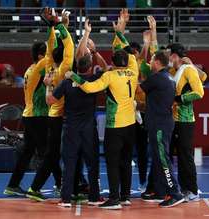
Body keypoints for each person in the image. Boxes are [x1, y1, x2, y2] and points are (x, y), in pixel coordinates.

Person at [68, 14, 139, 209]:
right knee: (126, 161)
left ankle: (114, 199)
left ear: (113, 63)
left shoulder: (109, 76)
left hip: (115, 126)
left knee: (113, 162)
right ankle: (125, 196)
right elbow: (128, 51)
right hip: (130, 125)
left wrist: (73, 75)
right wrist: (119, 32)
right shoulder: (133, 70)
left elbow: (90, 88)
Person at [26, 8, 74, 202]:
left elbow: (52, 45)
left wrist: (54, 26)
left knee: (54, 154)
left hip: (52, 116)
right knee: (58, 155)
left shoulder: (49, 66)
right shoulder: (63, 69)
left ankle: (68, 184)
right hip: (62, 118)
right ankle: (37, 187)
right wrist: (60, 25)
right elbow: (69, 45)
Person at [45, 54, 104, 207]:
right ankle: (94, 197)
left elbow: (50, 101)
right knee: (92, 164)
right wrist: (95, 52)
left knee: (69, 163)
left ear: (76, 68)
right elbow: (106, 68)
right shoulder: (93, 80)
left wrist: (48, 84)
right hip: (89, 130)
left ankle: (65, 199)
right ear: (90, 68)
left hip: (71, 128)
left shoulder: (67, 82)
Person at [140, 50, 186, 207]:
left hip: (159, 125)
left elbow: (139, 89)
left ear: (158, 62)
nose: (150, 62)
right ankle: (159, 191)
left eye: (152, 59)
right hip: (162, 122)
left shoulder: (157, 78)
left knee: (163, 159)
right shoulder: (169, 77)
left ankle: (175, 192)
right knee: (158, 158)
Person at [3, 42, 49, 197]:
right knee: (48, 154)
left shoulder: (31, 69)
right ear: (40, 56)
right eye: (46, 52)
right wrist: (56, 27)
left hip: (29, 115)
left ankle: (12, 185)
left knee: (27, 152)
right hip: (37, 117)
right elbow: (54, 56)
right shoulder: (38, 68)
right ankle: (39, 188)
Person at [168, 43, 204, 202]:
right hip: (175, 119)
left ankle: (193, 190)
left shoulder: (188, 69)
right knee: (179, 156)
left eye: (169, 55)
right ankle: (184, 189)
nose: (168, 58)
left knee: (186, 157)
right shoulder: (177, 71)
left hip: (185, 120)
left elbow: (199, 92)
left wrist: (179, 99)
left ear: (175, 56)